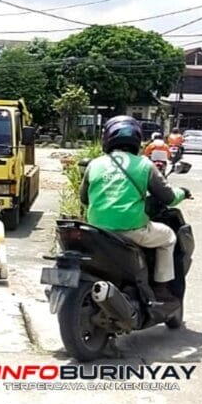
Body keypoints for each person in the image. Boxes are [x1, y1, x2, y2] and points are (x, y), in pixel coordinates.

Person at [79, 116, 190, 304]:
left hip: (96, 231)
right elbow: (169, 198)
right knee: (169, 236)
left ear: (107, 138)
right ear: (137, 140)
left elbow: (84, 199)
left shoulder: (95, 164)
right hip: (130, 231)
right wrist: (183, 192)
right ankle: (162, 288)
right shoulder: (145, 165)